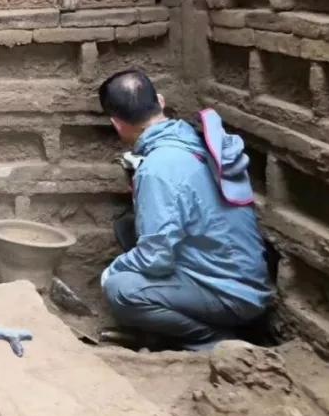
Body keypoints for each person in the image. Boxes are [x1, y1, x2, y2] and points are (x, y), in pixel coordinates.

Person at [97, 69, 273, 350]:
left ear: (117, 124)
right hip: (243, 276)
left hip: (232, 294)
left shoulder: (157, 169)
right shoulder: (191, 138)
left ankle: (214, 341)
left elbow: (156, 259)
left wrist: (112, 271)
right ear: (161, 102)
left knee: (121, 289)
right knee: (127, 228)